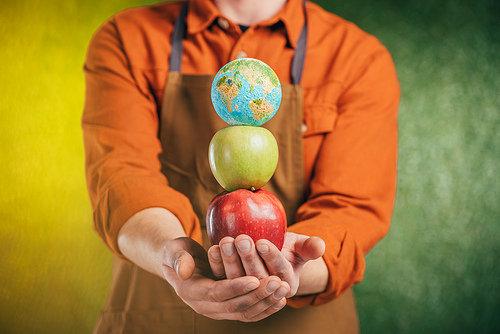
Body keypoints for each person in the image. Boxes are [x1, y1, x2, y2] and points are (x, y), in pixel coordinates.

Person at [82, 0, 400, 332]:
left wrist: (293, 266)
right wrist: (174, 256)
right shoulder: (128, 38)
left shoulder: (357, 58)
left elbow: (351, 209)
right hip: (157, 315)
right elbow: (123, 180)